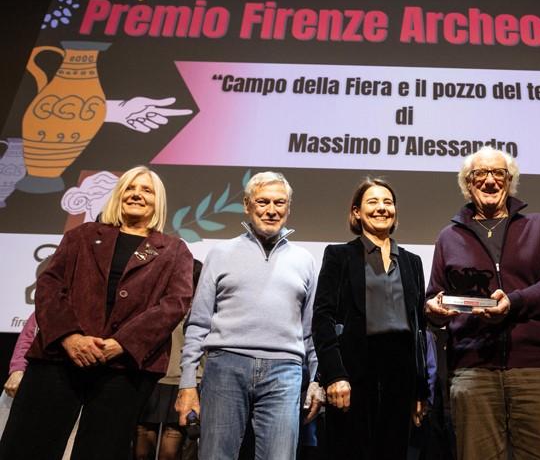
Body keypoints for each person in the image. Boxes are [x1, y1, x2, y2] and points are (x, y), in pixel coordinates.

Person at [0, 166, 194, 460]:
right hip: (60, 360)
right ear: (118, 194)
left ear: (158, 201)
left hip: (124, 369)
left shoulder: (174, 250)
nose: (136, 194)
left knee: (101, 451)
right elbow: (49, 287)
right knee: (28, 446)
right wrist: (70, 337)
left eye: (146, 190)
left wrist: (122, 343)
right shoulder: (82, 235)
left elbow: (174, 304)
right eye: (130, 188)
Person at [425, 146, 540, 460]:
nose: (490, 181)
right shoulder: (448, 237)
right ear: (468, 182)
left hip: (534, 368)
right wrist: (434, 312)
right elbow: (434, 296)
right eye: (480, 174)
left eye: (498, 173)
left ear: (509, 180)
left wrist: (514, 302)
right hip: (472, 369)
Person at [176, 171, 321, 460]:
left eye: (279, 203)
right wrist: (188, 382)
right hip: (225, 366)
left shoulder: (305, 260)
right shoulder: (220, 253)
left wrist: (316, 380)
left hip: (285, 371)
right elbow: (199, 322)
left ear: (288, 208)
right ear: (247, 205)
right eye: (263, 202)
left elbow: (310, 330)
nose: (271, 210)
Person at [312, 178, 429, 459]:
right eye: (373, 202)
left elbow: (419, 330)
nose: (381, 208)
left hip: (400, 379)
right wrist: (335, 375)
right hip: (353, 376)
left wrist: (419, 389)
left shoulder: (412, 262)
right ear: (356, 212)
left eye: (388, 202)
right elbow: (322, 318)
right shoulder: (339, 255)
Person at [134, 260, 203, 460]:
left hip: (187, 382)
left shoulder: (202, 309)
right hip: (152, 377)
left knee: (172, 446)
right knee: (142, 439)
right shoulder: (155, 303)